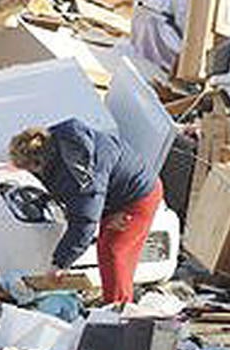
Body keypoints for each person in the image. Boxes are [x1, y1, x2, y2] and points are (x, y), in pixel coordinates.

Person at [9, 119, 163, 305]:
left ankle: (118, 313)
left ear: (37, 163)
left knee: (115, 251)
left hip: (138, 196)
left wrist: (60, 264)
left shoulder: (77, 171)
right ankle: (117, 306)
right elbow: (88, 197)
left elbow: (84, 222)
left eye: (29, 170)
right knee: (109, 249)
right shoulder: (57, 143)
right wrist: (105, 214)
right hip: (115, 195)